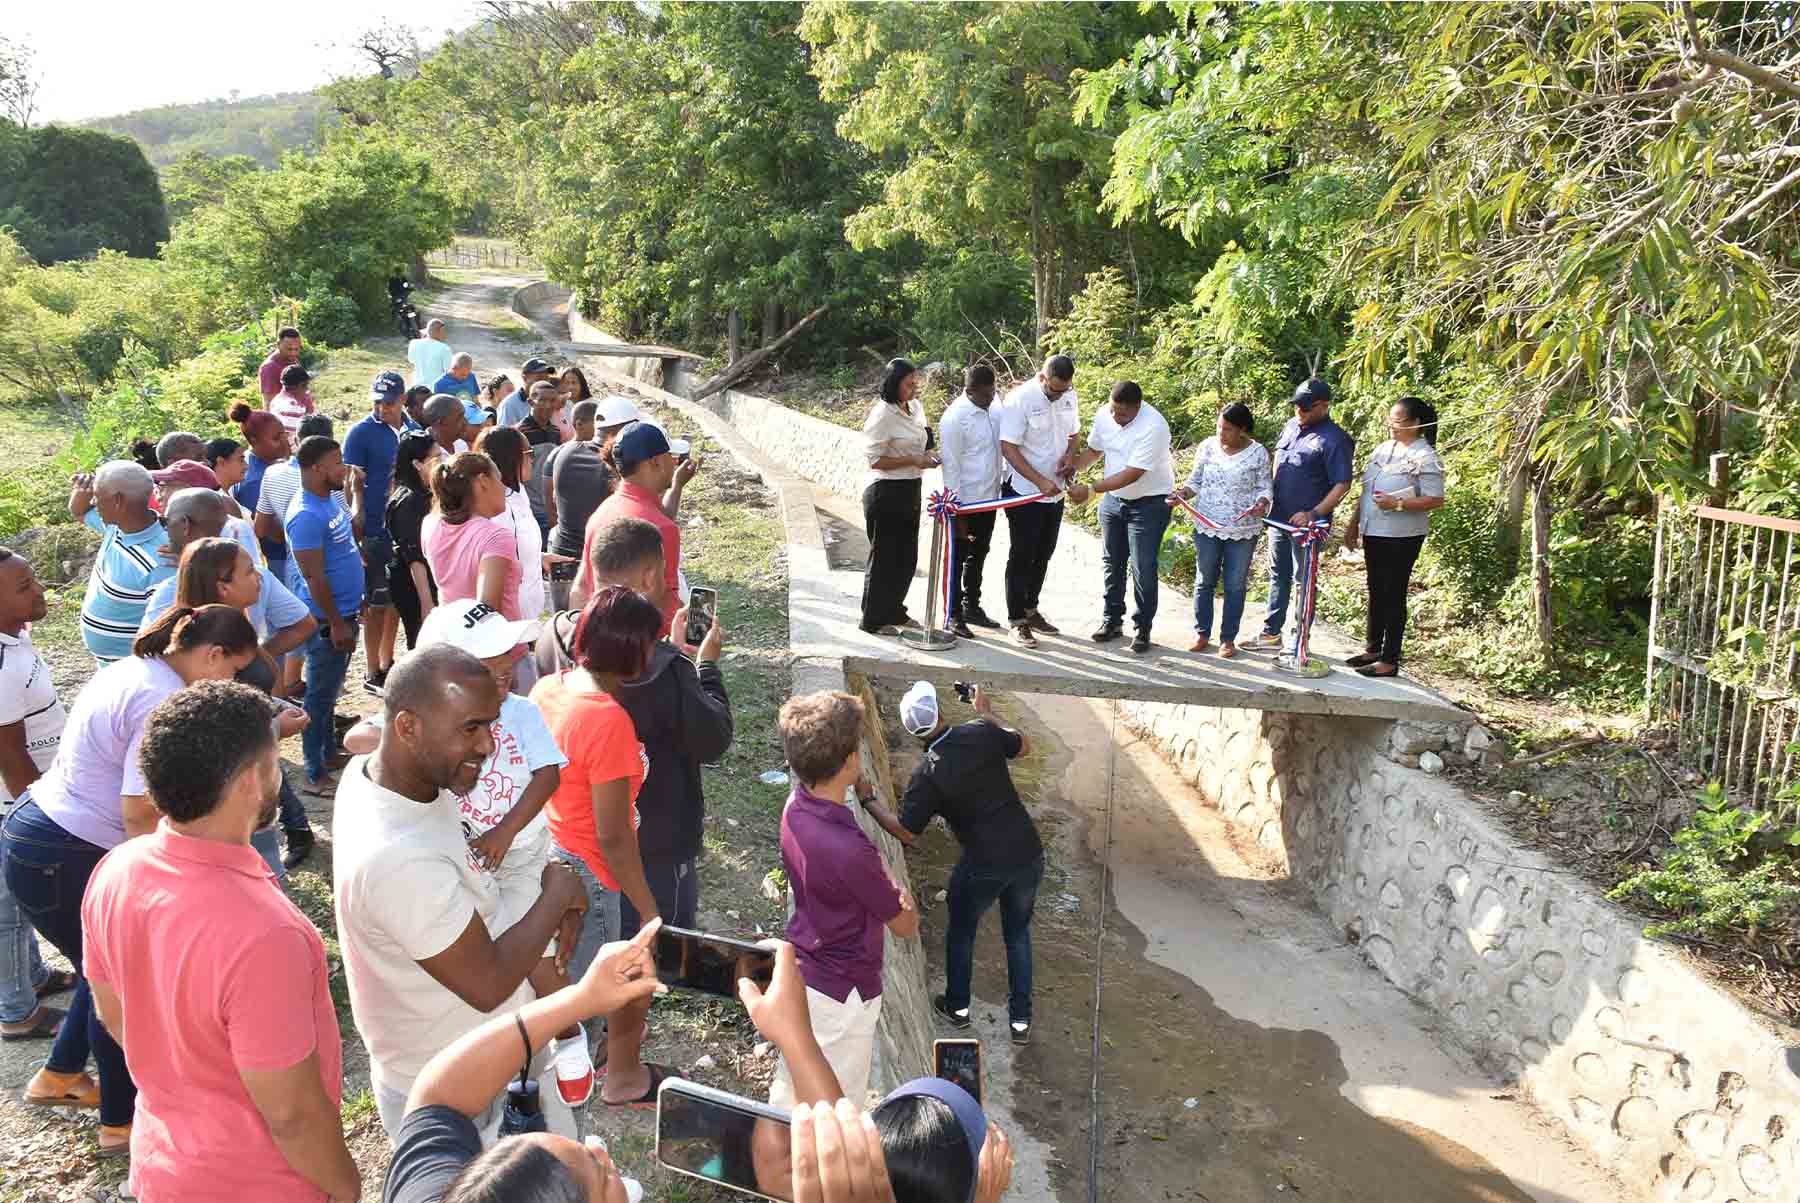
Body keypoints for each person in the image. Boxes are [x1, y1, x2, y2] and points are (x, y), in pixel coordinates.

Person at [80, 681, 360, 1202]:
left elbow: (116, 1017)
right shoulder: (266, 934)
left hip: (162, 1168)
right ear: (254, 780)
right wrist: (346, 1187)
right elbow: (292, 1115)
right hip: (259, 1184)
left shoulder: (117, 869)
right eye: (277, 760)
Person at [3, 604, 262, 1156]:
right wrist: (159, 893)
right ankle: (120, 1125)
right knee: (123, 981)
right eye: (233, 671)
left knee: (97, 965)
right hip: (63, 850)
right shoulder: (159, 697)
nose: (231, 683)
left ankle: (61, 1076)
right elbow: (138, 814)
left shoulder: (139, 666)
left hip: (41, 835)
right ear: (212, 655)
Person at [342, 599, 596, 1104]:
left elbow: (482, 894)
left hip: (494, 1052)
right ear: (408, 726)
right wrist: (558, 893)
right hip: (458, 1089)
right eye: (470, 728)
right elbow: (488, 982)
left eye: (490, 724)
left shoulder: (401, 779)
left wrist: (545, 886)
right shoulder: (399, 860)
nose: (486, 746)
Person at [538, 519, 732, 933]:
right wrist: (705, 666)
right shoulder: (661, 672)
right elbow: (713, 738)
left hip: (569, 845)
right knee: (648, 957)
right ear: (649, 575)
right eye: (663, 574)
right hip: (652, 849)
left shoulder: (555, 635)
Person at [529, 585, 665, 1107]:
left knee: (571, 976)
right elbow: (612, 836)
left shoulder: (550, 688)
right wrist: (649, 909)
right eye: (650, 643)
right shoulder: (608, 720)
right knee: (611, 981)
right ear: (632, 652)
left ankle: (599, 1052)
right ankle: (605, 1081)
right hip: (593, 872)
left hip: (555, 849)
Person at [139, 490, 317, 870]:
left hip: (253, 751)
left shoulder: (237, 623)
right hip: (229, 773)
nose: (260, 577)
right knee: (255, 858)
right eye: (250, 571)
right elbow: (211, 725)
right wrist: (272, 728)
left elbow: (299, 628)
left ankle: (293, 832)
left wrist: (273, 708)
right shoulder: (194, 644)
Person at [865, 683, 1040, 1046]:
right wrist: (987, 710)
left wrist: (868, 801)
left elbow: (908, 833)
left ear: (913, 733)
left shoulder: (926, 775)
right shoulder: (980, 731)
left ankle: (958, 1009)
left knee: (962, 931)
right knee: (1017, 933)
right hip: (1026, 851)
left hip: (982, 862)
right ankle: (1020, 1023)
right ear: (941, 712)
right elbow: (1023, 745)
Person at [772, 690, 920, 1108]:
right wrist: (892, 881)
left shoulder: (796, 807)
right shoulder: (850, 849)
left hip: (808, 972)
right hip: (845, 992)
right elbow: (905, 924)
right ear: (852, 761)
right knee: (838, 1104)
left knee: (799, 1082)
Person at [0, 548, 73, 1043]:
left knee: (19, 903)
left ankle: (34, 976)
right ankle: (15, 1011)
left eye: (34, 581)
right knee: (6, 909)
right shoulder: (2, 664)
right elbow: (10, 753)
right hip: (15, 804)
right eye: (24, 587)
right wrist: (36, 816)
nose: (40, 589)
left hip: (23, 797)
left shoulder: (16, 639)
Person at [1063, 380, 1177, 655]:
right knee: (1112, 563)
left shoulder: (1155, 426)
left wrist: (1090, 490)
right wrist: (1073, 466)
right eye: (1113, 410)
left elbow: (1133, 473)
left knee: (1142, 567)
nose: (1116, 417)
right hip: (1115, 501)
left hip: (1149, 504)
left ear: (1137, 408)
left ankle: (1142, 628)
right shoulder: (1106, 414)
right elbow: (1094, 450)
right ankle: (1112, 620)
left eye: (1122, 414)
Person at [1343, 396, 1446, 678]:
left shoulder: (1426, 457)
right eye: (1390, 419)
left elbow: (1435, 499)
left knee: (1393, 592)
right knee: (1375, 589)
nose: (1392, 425)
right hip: (1374, 529)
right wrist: (1354, 524)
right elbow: (1367, 490)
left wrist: (1397, 504)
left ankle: (1390, 659)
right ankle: (1373, 648)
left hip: (1402, 535)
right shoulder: (1383, 449)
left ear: (1416, 424)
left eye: (1398, 421)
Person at [286, 435, 364, 795]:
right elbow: (313, 576)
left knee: (330, 693)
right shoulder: (305, 515)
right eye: (337, 462)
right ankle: (314, 772)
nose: (343, 467)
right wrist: (335, 621)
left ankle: (329, 753)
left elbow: (348, 541)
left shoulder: (328, 500)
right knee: (318, 698)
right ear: (316, 468)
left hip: (345, 612)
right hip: (325, 621)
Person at [1259, 378, 1355, 652]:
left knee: (1304, 580)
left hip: (1307, 525)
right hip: (1279, 518)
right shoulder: (1291, 426)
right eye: (1296, 406)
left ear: (1323, 406)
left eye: (1305, 407)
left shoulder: (1335, 440)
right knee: (1278, 575)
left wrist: (1313, 513)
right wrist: (1269, 496)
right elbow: (1279, 460)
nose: (1299, 411)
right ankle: (1270, 633)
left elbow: (1342, 484)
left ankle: (1298, 639)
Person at [1171, 402, 1272, 658]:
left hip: (1242, 529)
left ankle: (1228, 639)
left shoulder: (1258, 453)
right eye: (1218, 427)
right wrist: (1183, 493)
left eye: (1227, 429)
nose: (1220, 433)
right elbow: (1195, 481)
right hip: (1207, 525)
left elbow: (1264, 487)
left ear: (1242, 429)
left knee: (1235, 584)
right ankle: (1202, 633)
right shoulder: (1207, 447)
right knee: (1204, 580)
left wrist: (1262, 503)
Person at [995, 354, 1080, 648]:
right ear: (1042, 378)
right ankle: (1016, 620)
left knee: (1044, 552)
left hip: (1054, 492)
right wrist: (1038, 480)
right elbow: (1008, 448)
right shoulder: (1019, 400)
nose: (1059, 395)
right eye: (1055, 389)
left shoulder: (1069, 395)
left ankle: (1031, 609)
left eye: (1064, 389)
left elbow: (1074, 433)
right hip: (1023, 492)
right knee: (1022, 554)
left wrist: (1070, 456)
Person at [570, 422, 683, 634]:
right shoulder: (661, 527)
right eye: (670, 455)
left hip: (601, 642)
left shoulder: (603, 511)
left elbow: (582, 586)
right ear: (656, 462)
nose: (674, 462)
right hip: (642, 651)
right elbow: (666, 606)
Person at [859, 358, 935, 636]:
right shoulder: (883, 415)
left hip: (911, 487)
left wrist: (928, 455)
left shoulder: (915, 408)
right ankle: (872, 619)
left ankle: (894, 610)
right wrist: (913, 459)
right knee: (884, 559)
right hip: (886, 491)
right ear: (894, 384)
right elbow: (875, 460)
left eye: (916, 382)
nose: (915, 387)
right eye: (909, 383)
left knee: (906, 558)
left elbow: (926, 436)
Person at [70, 461, 173, 666]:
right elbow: (79, 512)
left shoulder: (161, 560)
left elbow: (167, 631)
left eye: (97, 496)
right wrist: (82, 490)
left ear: (117, 501)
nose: (94, 502)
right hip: (111, 665)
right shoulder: (116, 528)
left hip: (133, 670)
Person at [344, 370, 408, 696]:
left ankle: (387, 661)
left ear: (403, 401)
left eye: (389, 403)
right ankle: (371, 669)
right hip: (374, 529)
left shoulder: (411, 429)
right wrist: (358, 532)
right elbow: (350, 484)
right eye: (377, 402)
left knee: (396, 600)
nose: (382, 408)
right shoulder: (361, 433)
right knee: (376, 603)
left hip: (404, 528)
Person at [936, 364, 1003, 638]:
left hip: (989, 498)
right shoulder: (955, 418)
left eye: (993, 393)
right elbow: (951, 465)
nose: (990, 398)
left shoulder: (994, 406)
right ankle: (952, 614)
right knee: (958, 557)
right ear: (969, 391)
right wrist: (955, 508)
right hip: (964, 502)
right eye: (985, 395)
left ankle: (972, 606)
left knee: (980, 554)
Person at [423, 451, 525, 622]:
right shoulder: (496, 536)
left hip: (449, 638)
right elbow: (487, 609)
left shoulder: (430, 524)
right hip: (496, 645)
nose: (503, 488)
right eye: (499, 480)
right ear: (483, 482)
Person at [546, 399, 627, 612]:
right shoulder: (616, 468)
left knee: (563, 632)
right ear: (623, 429)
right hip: (596, 567)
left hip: (561, 558)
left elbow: (553, 501)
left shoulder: (564, 453)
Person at [388, 432, 444, 649]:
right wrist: (426, 601)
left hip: (431, 577)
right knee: (423, 643)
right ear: (417, 464)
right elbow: (414, 558)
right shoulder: (409, 501)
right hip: (414, 583)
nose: (443, 463)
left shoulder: (427, 492)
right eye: (436, 458)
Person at [230, 404, 295, 582]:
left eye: (284, 434)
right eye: (276, 438)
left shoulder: (268, 464)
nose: (284, 441)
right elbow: (270, 531)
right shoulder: (255, 480)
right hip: (280, 558)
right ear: (254, 441)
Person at [516, 380, 566, 538]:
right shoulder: (519, 433)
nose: (548, 405)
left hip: (550, 508)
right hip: (529, 509)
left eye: (552, 401)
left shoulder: (556, 432)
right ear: (531, 402)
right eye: (542, 400)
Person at [497, 357, 557, 428]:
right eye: (539, 379)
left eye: (546, 379)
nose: (543, 383)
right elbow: (503, 435)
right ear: (524, 378)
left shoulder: (550, 401)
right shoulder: (510, 404)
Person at [269, 362, 316, 437]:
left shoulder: (276, 400)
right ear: (300, 386)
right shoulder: (294, 408)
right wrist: (309, 410)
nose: (307, 390)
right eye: (306, 385)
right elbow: (310, 436)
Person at [423, 392, 473, 457]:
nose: (465, 422)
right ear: (440, 423)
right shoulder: (425, 455)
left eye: (463, 416)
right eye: (459, 418)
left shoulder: (462, 444)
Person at [260, 326, 302, 402]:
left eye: (296, 349)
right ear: (278, 345)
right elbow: (269, 404)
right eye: (289, 349)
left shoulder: (292, 360)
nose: (293, 353)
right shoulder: (270, 368)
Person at [435, 352, 483, 418]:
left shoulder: (471, 376)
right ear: (453, 368)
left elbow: (476, 400)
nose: (465, 377)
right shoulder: (440, 384)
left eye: (468, 373)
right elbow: (439, 410)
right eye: (463, 375)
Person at [408, 318, 453, 389]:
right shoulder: (444, 348)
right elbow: (449, 372)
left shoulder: (413, 343)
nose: (445, 334)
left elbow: (411, 360)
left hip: (416, 386)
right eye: (444, 331)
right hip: (435, 389)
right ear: (440, 331)